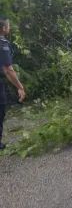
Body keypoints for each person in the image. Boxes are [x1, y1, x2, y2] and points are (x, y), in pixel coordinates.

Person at [0, 15, 25, 149]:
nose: (9, 27)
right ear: (4, 28)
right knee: (0, 109)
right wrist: (20, 87)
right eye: (8, 25)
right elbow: (8, 70)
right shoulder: (2, 44)